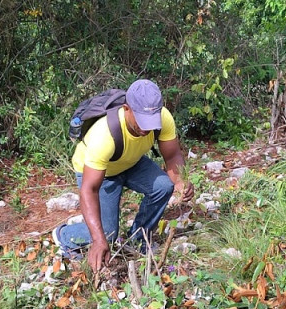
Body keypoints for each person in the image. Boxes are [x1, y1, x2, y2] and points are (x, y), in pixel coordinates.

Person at [52, 79, 194, 273]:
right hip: (102, 174)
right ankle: (64, 235)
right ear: (127, 109)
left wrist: (180, 180)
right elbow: (89, 189)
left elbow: (172, 155)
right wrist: (98, 240)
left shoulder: (163, 118)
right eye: (142, 121)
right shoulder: (104, 135)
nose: (147, 129)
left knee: (163, 186)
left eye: (151, 122)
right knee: (107, 234)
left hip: (131, 161)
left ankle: (137, 241)